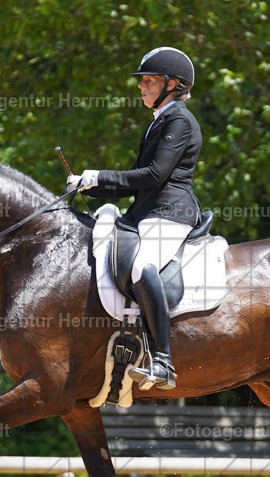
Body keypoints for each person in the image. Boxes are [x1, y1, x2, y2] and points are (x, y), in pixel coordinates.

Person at [66, 47, 202, 391]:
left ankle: (163, 363)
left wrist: (101, 174)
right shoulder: (159, 121)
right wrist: (91, 187)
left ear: (173, 84)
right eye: (142, 81)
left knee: (143, 267)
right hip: (146, 213)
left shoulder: (180, 121)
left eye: (149, 81)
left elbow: (155, 175)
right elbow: (138, 183)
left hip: (172, 213)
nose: (141, 87)